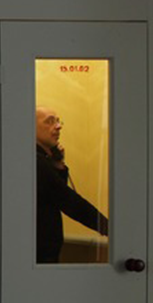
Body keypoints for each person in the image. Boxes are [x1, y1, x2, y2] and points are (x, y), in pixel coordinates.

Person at [35, 107, 108, 263]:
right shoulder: (36, 162)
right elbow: (68, 200)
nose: (58, 126)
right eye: (49, 121)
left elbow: (53, 195)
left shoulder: (43, 161)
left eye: (58, 121)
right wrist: (108, 227)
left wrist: (58, 164)